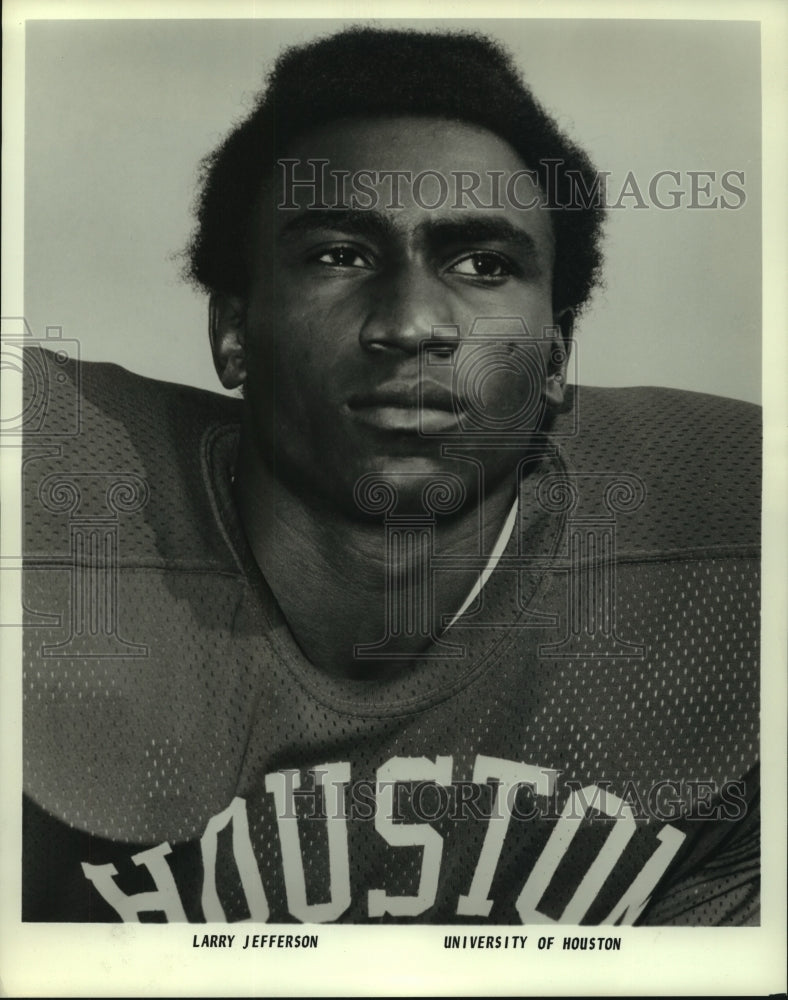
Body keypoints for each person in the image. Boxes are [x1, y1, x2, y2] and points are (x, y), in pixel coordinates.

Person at [21, 27, 759, 925]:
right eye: (340, 254)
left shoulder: (734, 532)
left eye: (483, 264)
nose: (412, 323)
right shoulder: (51, 492)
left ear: (557, 355)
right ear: (233, 332)